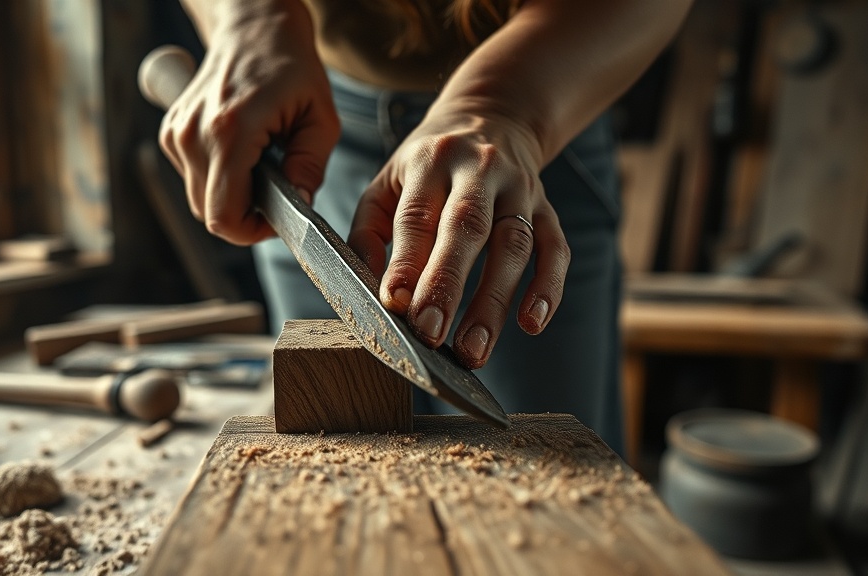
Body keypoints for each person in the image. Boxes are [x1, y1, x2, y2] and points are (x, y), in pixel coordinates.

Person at [159, 0, 691, 453]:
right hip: (311, 123)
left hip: (536, 116)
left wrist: (500, 106)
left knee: (549, 474)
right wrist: (248, 17)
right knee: (335, 445)